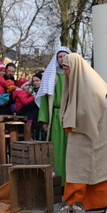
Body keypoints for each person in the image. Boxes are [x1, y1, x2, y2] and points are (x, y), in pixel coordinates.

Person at [59, 53, 107, 212]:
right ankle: (73, 205)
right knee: (78, 169)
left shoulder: (91, 83)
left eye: (67, 68)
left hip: (92, 133)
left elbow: (94, 108)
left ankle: (93, 204)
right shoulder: (76, 81)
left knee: (95, 169)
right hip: (82, 133)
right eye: (63, 68)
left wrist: (72, 121)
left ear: (75, 67)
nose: (65, 72)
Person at [35, 46, 71, 184]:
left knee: (71, 149)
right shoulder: (51, 76)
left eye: (64, 56)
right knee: (56, 150)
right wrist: (44, 120)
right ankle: (58, 182)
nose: (62, 59)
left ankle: (71, 182)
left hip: (71, 115)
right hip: (56, 116)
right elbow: (45, 98)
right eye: (60, 56)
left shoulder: (74, 74)